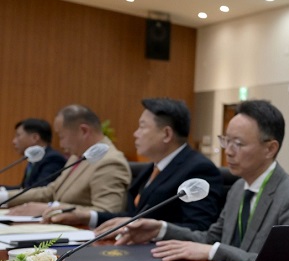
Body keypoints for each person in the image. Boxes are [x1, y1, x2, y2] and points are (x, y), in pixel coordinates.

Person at [105, 100, 289, 261]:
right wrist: (160, 229)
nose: (228, 151)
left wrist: (214, 251)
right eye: (226, 141)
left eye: (238, 144)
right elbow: (211, 238)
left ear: (270, 149)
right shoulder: (238, 188)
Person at [48, 98, 223, 231]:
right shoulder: (152, 168)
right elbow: (132, 217)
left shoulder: (198, 169)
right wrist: (87, 217)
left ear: (167, 134)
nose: (135, 133)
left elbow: (199, 228)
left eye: (142, 127)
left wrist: (154, 229)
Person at [3, 104, 130, 216]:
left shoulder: (110, 161)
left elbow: (106, 212)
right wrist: (3, 197)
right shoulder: (77, 156)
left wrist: (51, 208)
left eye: (61, 136)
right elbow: (51, 191)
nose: (61, 144)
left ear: (84, 131)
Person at [12, 118, 66, 188]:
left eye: (18, 135)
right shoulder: (34, 157)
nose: (14, 141)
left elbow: (39, 189)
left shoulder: (53, 159)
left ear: (35, 138)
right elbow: (23, 188)